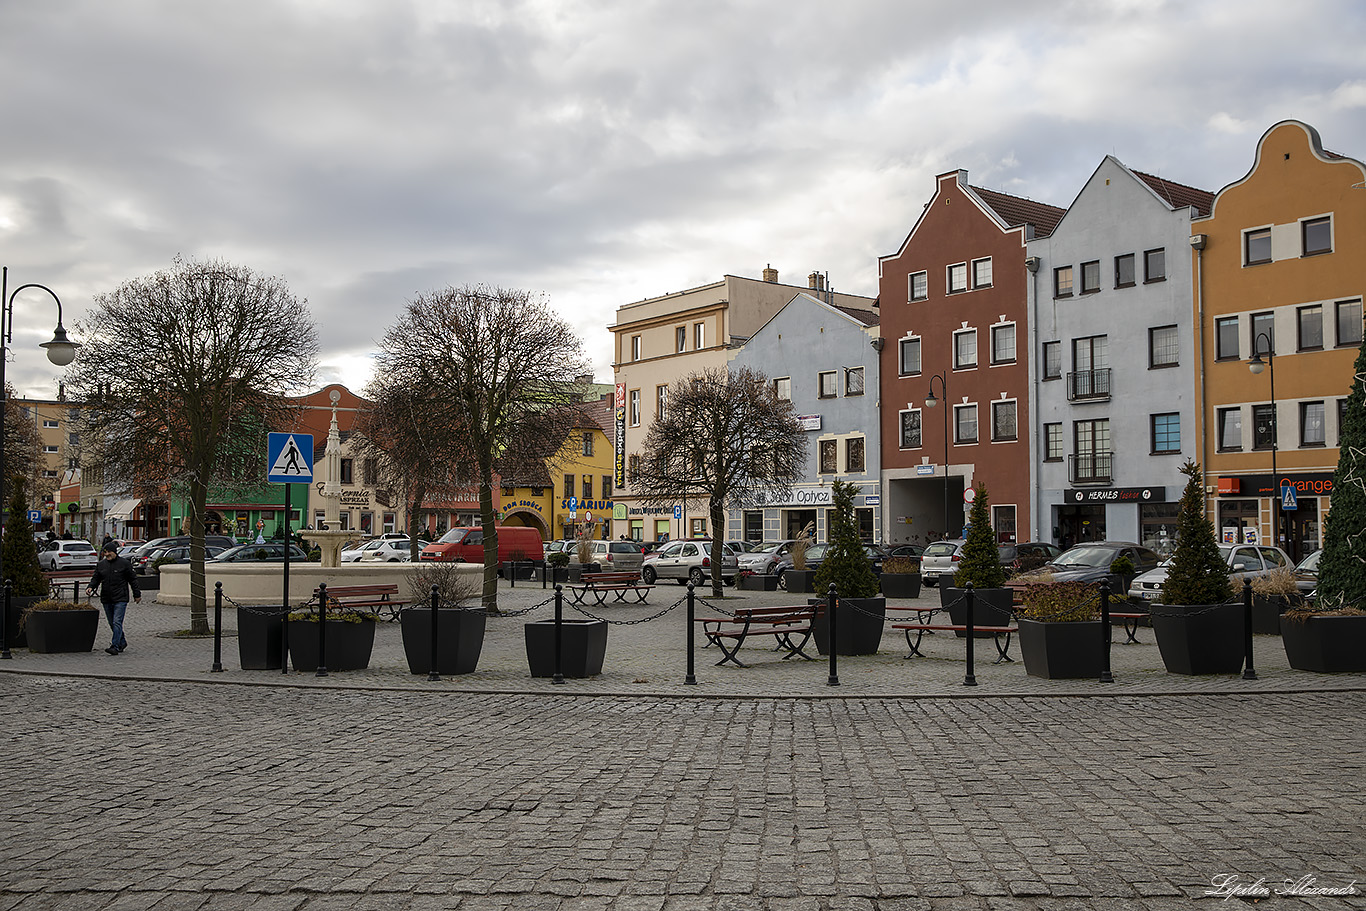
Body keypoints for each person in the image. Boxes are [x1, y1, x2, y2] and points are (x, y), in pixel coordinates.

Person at [87, 544, 141, 656]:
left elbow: (133, 580)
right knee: (112, 623)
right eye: (105, 553)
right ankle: (122, 642)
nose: (106, 555)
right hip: (106, 598)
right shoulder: (101, 565)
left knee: (117, 621)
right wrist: (90, 587)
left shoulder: (124, 564)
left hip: (120, 598)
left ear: (114, 552)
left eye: (109, 552)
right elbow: (96, 578)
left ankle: (114, 646)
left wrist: (137, 594)